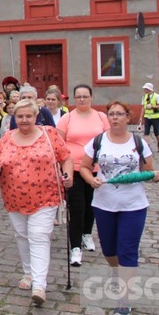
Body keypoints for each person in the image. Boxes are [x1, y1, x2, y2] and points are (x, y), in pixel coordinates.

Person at [80, 101, 159, 315]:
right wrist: (91, 180)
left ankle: (124, 300)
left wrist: (156, 177)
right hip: (104, 204)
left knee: (127, 251)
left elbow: (148, 172)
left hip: (133, 206)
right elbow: (83, 166)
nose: (115, 117)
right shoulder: (98, 141)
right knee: (109, 250)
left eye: (120, 114)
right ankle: (117, 273)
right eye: (111, 114)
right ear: (107, 118)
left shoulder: (139, 143)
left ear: (128, 118)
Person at [0, 99, 73, 306]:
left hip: (45, 197)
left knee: (38, 236)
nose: (24, 120)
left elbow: (66, 158)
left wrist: (68, 175)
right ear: (14, 118)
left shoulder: (49, 134)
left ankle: (39, 285)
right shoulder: (7, 138)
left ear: (36, 117)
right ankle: (28, 273)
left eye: (29, 116)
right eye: (20, 116)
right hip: (13, 197)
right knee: (22, 235)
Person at [56, 84, 109, 267]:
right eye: (78, 96)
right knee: (77, 207)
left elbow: (108, 139)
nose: (82, 99)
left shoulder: (101, 117)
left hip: (96, 169)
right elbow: (59, 145)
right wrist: (61, 168)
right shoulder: (67, 118)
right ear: (74, 99)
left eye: (85, 96)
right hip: (75, 168)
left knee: (92, 205)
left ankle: (87, 233)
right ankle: (75, 247)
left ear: (91, 97)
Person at [141, 83, 159, 153]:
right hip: (147, 117)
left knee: (156, 132)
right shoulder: (144, 97)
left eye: (146, 89)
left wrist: (152, 106)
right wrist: (140, 117)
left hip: (155, 117)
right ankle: (147, 147)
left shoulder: (157, 96)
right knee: (146, 132)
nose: (144, 90)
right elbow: (143, 108)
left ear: (149, 89)